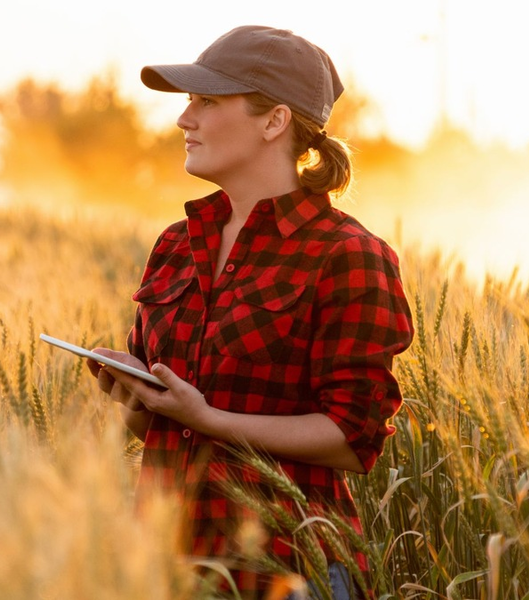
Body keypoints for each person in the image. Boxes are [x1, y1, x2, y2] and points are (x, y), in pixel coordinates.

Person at [88, 25, 414, 600]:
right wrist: (134, 399)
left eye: (207, 101)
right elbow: (163, 429)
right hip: (168, 566)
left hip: (287, 573)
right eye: (189, 100)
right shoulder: (174, 245)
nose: (184, 119)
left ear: (274, 121)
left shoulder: (347, 256)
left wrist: (210, 419)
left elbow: (351, 438)